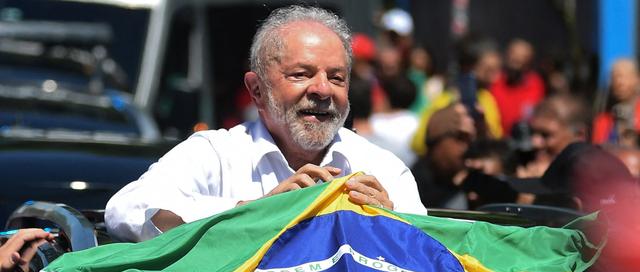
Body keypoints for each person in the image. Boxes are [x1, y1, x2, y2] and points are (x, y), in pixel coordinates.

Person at [105, 5, 428, 242]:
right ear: (257, 90)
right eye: (301, 74)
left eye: (336, 77)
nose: (322, 89)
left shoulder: (382, 169)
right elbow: (126, 211)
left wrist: (394, 225)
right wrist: (254, 213)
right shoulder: (216, 154)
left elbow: (430, 255)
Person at [411, 35, 503, 157]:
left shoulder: (487, 98)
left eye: (497, 69)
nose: (495, 78)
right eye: (488, 70)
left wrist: (483, 129)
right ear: (467, 67)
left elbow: (497, 141)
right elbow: (417, 143)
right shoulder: (444, 100)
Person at [411, 103, 476, 209]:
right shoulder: (412, 181)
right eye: (460, 138)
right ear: (439, 140)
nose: (466, 147)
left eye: (469, 140)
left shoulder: (472, 176)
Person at [490, 38, 545, 136]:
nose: (516, 65)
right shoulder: (493, 81)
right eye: (513, 58)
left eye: (521, 60)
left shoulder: (536, 84)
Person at [592, 58, 640, 147]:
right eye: (615, 77)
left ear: (637, 79)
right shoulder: (602, 120)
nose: (619, 82)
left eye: (626, 76)